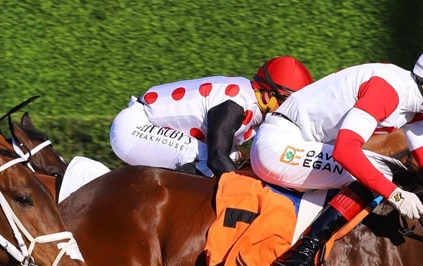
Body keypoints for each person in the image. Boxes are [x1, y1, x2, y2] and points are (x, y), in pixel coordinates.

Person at [251, 41, 423, 266]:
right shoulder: (388, 91)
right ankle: (303, 252)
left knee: (387, 169)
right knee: (384, 171)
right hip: (278, 146)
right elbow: (345, 150)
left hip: (297, 142)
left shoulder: (411, 101)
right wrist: (396, 195)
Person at [109, 56, 313, 178]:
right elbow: (217, 158)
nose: (290, 111)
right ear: (268, 95)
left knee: (236, 159)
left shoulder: (255, 105)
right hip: (133, 128)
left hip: (148, 125)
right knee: (203, 157)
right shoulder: (235, 104)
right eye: (287, 102)